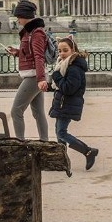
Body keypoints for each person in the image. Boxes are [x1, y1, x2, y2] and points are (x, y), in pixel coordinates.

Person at [47, 36, 98, 170]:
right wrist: (49, 85)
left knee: (62, 133)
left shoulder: (74, 68)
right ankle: (61, 160)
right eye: (59, 51)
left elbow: (68, 88)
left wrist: (56, 76)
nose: (62, 54)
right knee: (59, 132)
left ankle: (88, 151)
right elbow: (61, 86)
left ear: (72, 50)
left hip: (67, 104)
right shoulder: (65, 65)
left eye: (65, 50)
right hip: (63, 103)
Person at [4, 0, 50, 141]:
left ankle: (20, 143)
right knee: (38, 113)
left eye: (18, 17)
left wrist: (41, 79)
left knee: (16, 111)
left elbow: (39, 56)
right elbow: (30, 53)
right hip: (35, 75)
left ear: (24, 15)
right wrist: (17, 52)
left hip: (33, 76)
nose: (17, 20)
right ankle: (44, 142)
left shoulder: (36, 33)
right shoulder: (30, 32)